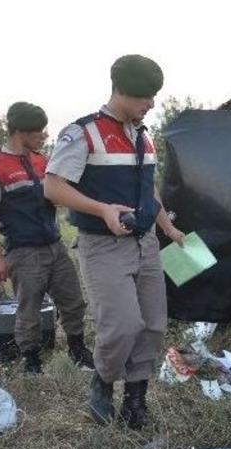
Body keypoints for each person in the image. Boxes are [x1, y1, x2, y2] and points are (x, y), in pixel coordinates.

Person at [44, 54, 184, 429]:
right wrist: (103, 209)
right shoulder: (84, 133)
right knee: (121, 326)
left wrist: (167, 228)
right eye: (146, 96)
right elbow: (53, 186)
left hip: (147, 242)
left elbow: (147, 188)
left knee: (153, 324)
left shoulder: (143, 136)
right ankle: (103, 382)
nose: (151, 104)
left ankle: (136, 400)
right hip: (103, 245)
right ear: (122, 91)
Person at [0, 102, 95, 374]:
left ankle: (78, 351)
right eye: (38, 131)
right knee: (28, 309)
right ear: (20, 131)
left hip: (55, 246)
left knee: (73, 301)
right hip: (23, 252)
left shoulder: (43, 161)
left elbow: (59, 193)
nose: (43, 135)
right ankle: (32, 361)